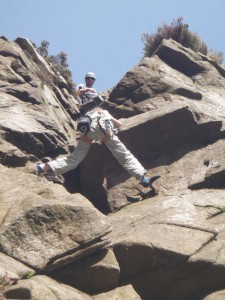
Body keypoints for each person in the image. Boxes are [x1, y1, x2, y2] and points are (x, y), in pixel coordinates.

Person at [36, 72, 160, 191]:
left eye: (92, 79)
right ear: (85, 79)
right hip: (102, 124)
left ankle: (42, 168)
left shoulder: (94, 100)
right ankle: (143, 178)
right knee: (124, 155)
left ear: (94, 80)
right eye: (88, 78)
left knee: (74, 159)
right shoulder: (88, 94)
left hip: (88, 126)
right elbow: (79, 92)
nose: (90, 80)